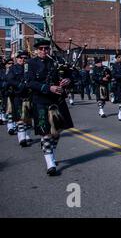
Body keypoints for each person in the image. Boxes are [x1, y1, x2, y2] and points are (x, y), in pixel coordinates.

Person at [26, 39, 74, 176]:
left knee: (57, 131)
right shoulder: (30, 63)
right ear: (36, 50)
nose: (43, 51)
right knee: (45, 132)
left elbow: (70, 74)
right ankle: (50, 163)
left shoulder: (56, 61)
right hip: (41, 100)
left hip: (57, 100)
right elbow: (30, 82)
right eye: (40, 49)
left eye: (46, 48)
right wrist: (49, 88)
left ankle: (49, 150)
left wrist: (68, 80)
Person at [7, 51, 33, 147]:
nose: (22, 60)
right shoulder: (13, 68)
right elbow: (10, 80)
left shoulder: (30, 68)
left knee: (29, 118)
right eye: (20, 58)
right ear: (17, 59)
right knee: (19, 117)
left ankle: (27, 135)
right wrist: (20, 85)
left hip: (29, 96)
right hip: (17, 95)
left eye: (25, 58)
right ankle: (21, 137)